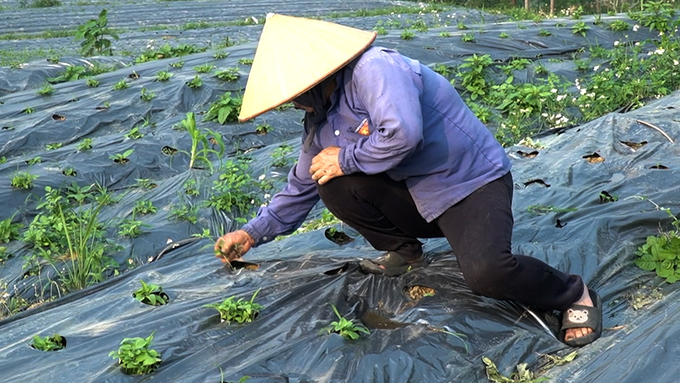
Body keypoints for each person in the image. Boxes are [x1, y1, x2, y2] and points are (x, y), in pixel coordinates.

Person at [214, 14, 602, 347]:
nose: (292, 103)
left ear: (316, 75)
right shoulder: (321, 116)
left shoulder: (374, 69)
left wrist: (346, 157)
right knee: (327, 178)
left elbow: (403, 134)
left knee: (488, 273)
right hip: (417, 196)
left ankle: (573, 294)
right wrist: (251, 234)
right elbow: (301, 183)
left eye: (293, 94)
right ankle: (405, 252)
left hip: (468, 185)